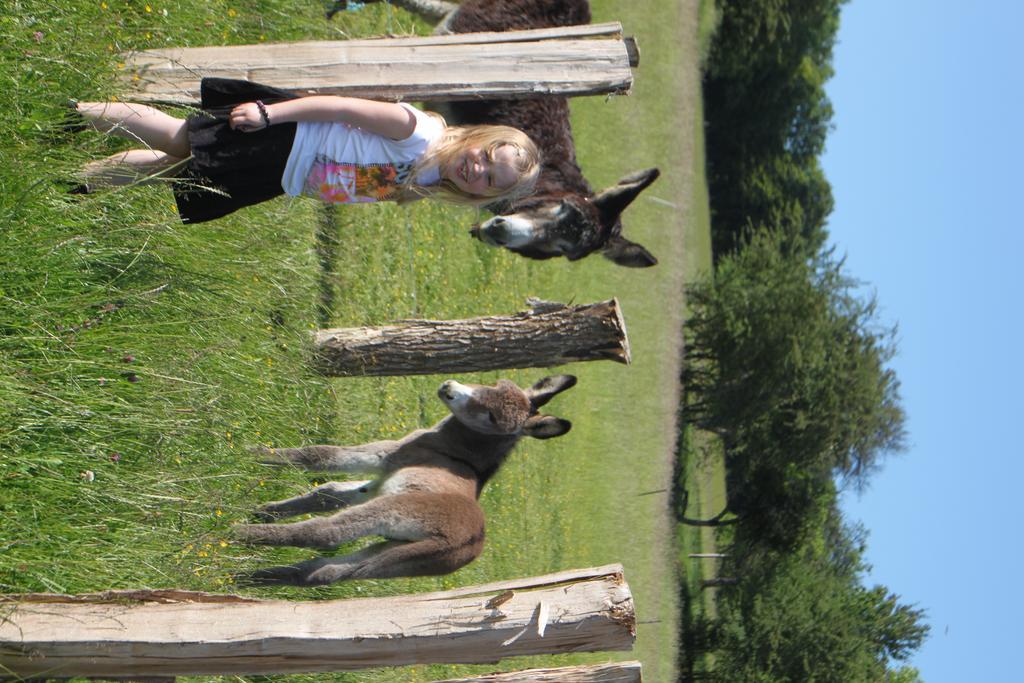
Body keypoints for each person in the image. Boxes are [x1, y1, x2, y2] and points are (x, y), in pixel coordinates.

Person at [69, 78, 541, 223]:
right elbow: (340, 106)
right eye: (486, 157)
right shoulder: (419, 133)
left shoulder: (426, 181)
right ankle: (78, 112)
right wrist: (269, 115)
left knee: (178, 171)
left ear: (480, 196)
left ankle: (78, 181)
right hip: (285, 135)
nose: (477, 169)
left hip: (280, 174)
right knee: (178, 137)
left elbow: (352, 182)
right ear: (481, 139)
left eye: (488, 180)